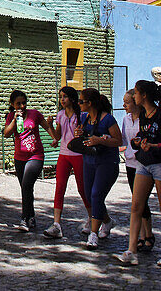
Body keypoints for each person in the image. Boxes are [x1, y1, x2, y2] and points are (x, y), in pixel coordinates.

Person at [113, 80, 161, 268]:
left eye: (136, 93)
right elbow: (145, 136)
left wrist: (154, 145)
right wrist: (139, 142)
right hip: (144, 163)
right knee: (136, 206)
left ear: (144, 96)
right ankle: (131, 250)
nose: (134, 97)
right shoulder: (143, 115)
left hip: (160, 165)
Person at [76, 88, 122, 250]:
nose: (79, 104)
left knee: (96, 194)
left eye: (81, 101)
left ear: (90, 103)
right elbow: (84, 138)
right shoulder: (84, 118)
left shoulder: (107, 119)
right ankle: (108, 221)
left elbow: (118, 140)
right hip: (89, 160)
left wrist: (100, 141)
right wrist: (79, 133)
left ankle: (93, 234)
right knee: (89, 195)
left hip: (107, 162)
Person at [42, 86, 91, 239]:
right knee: (59, 187)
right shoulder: (61, 115)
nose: (62, 100)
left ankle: (92, 217)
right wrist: (50, 125)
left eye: (65, 96)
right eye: (60, 96)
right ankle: (56, 224)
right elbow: (57, 135)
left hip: (78, 155)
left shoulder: (82, 116)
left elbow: (87, 134)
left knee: (82, 188)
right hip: (64, 154)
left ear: (72, 99)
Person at [3, 89, 49, 232]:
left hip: (35, 156)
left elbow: (46, 126)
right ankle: (31, 216)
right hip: (19, 157)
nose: (22, 106)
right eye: (18, 104)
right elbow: (6, 133)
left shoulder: (34, 114)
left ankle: (24, 218)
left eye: (24, 103)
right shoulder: (11, 116)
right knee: (26, 188)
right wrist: (14, 119)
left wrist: (54, 138)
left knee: (27, 184)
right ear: (12, 104)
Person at [120, 90, 155, 252]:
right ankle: (143, 235)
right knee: (136, 200)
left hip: (143, 163)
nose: (124, 105)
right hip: (130, 163)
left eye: (127, 102)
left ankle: (148, 234)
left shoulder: (145, 119)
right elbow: (123, 140)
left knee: (141, 200)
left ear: (135, 103)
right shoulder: (126, 119)